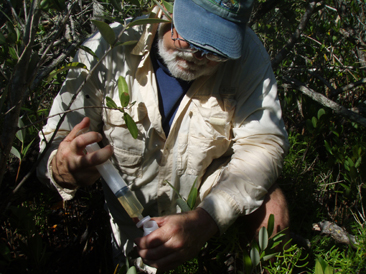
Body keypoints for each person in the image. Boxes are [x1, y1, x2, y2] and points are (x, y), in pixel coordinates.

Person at [37, 0, 290, 271]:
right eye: (190, 37)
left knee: (272, 210)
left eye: (216, 49)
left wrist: (205, 221)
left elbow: (264, 143)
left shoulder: (248, 57)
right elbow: (54, 141)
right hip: (131, 227)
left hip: (205, 202)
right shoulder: (109, 48)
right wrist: (64, 168)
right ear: (166, 9)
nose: (198, 55)